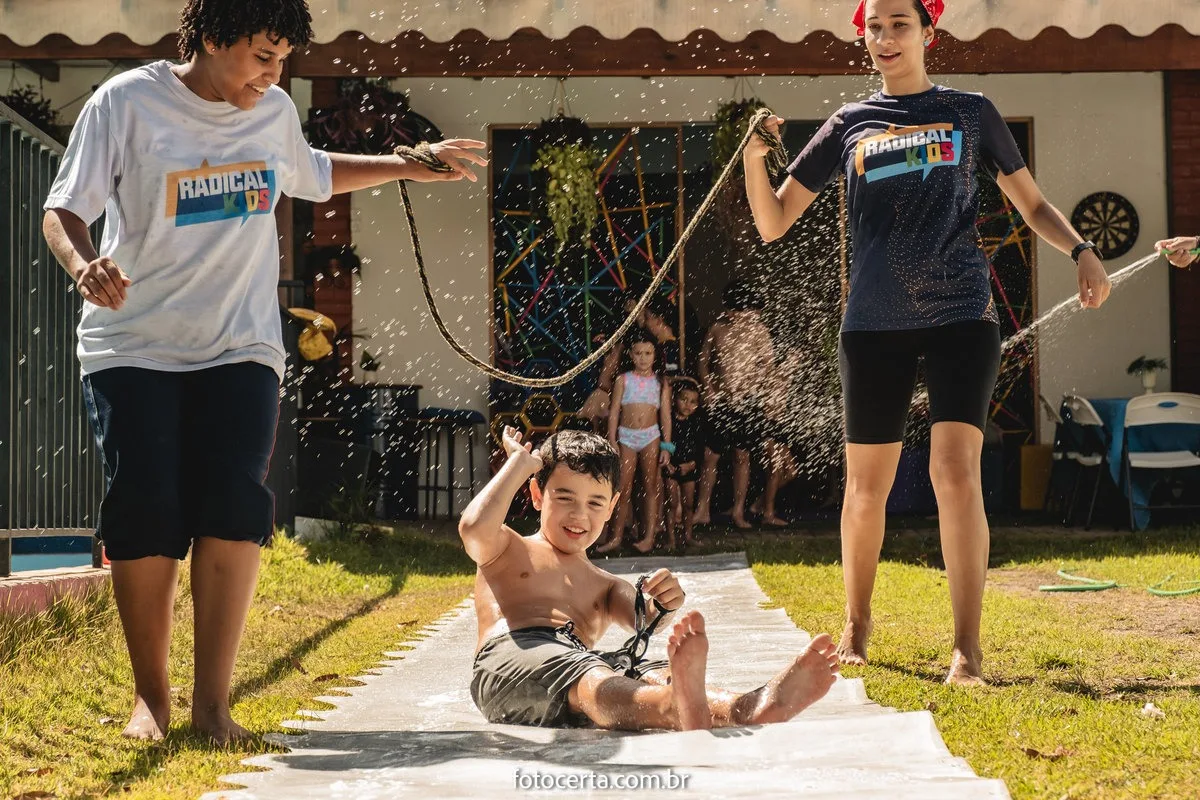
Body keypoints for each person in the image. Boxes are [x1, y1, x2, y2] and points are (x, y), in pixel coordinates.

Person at [40, 0, 488, 743]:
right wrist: (84, 266)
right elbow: (64, 209)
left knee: (234, 504)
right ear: (213, 38)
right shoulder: (127, 102)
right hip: (135, 343)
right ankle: (153, 701)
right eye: (262, 54)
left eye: (283, 58)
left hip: (241, 345)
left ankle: (213, 707)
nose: (274, 73)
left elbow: (308, 173)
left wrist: (406, 167)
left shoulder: (272, 109)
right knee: (146, 503)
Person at [743, 0, 1112, 685]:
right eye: (873, 28)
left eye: (898, 25)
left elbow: (1031, 204)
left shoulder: (971, 113)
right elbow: (773, 222)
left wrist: (1082, 249)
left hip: (960, 314)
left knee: (954, 471)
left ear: (927, 33)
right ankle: (856, 624)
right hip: (873, 323)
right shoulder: (849, 125)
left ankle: (966, 649)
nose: (884, 38)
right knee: (866, 487)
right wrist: (754, 160)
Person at [461, 427, 841, 730]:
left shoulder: (605, 585)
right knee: (592, 676)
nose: (580, 514)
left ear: (611, 508)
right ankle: (671, 708)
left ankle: (743, 707)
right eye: (565, 498)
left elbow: (646, 619)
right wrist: (517, 465)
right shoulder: (507, 547)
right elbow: (473, 527)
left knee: (650, 670)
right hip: (511, 658)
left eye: (595, 503)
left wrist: (663, 602)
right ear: (537, 494)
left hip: (573, 669)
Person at [692, 280, 776, 530]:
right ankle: (702, 510)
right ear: (730, 311)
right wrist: (707, 387)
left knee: (742, 456)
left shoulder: (758, 331)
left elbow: (768, 366)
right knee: (710, 456)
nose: (745, 317)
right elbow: (703, 362)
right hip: (721, 401)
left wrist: (755, 385)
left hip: (747, 401)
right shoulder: (718, 329)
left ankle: (738, 511)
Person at [597, 333, 671, 553]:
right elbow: (613, 413)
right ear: (630, 355)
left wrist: (667, 446)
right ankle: (615, 536)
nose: (643, 358)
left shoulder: (660, 382)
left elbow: (665, 415)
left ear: (655, 356)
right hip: (626, 436)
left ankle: (649, 536)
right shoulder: (623, 380)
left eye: (648, 353)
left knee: (650, 486)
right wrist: (612, 438)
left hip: (651, 436)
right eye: (638, 353)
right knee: (623, 488)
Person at [663, 377, 704, 547]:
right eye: (684, 399)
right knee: (671, 503)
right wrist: (668, 464)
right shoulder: (669, 420)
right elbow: (667, 443)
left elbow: (700, 447)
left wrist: (692, 464)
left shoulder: (696, 421)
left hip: (689, 467)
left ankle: (688, 536)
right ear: (674, 399)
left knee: (688, 504)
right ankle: (671, 539)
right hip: (672, 467)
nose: (688, 405)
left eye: (693, 401)